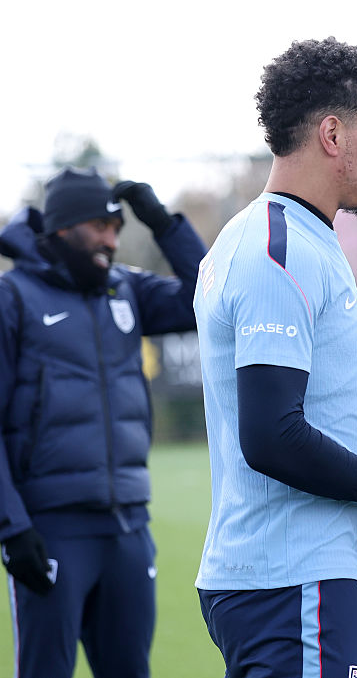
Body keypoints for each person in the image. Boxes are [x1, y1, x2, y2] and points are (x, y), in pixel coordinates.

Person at [192, 36, 357, 678]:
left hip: (290, 583)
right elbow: (272, 437)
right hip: (290, 585)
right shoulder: (275, 252)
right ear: (334, 135)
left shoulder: (286, 239)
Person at [0, 167, 207, 678]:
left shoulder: (124, 289)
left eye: (117, 229)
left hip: (129, 528)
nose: (111, 240)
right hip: (50, 532)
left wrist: (164, 223)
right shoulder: (13, 298)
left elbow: (208, 297)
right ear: (64, 227)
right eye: (100, 226)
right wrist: (12, 529)